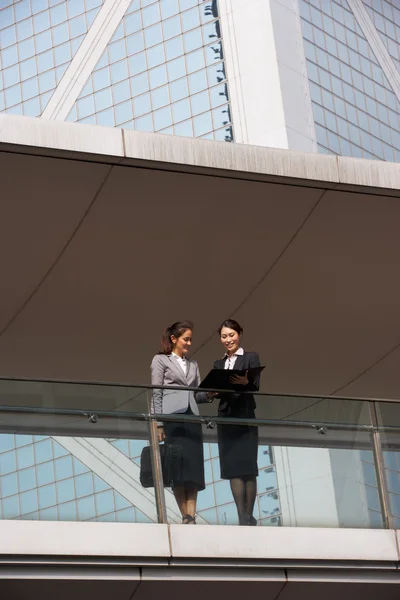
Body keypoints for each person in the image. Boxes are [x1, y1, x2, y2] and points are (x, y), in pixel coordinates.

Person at [150, 321, 212, 524]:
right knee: (177, 468)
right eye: (186, 339)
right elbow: (156, 392)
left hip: (192, 418)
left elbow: (197, 394)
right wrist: (158, 423)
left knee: (193, 468)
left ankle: (190, 516)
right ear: (174, 339)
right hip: (172, 419)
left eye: (191, 339)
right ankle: (185, 514)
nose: (189, 343)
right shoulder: (160, 360)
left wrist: (211, 393)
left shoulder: (193, 364)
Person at [213, 319, 261, 526]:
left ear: (239, 334)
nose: (228, 339)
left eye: (231, 335)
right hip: (226, 419)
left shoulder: (250, 357)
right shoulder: (219, 364)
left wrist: (245, 382)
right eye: (224, 336)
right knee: (233, 468)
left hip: (245, 416)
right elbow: (214, 391)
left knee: (248, 468)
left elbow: (255, 385)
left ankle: (247, 516)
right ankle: (242, 516)